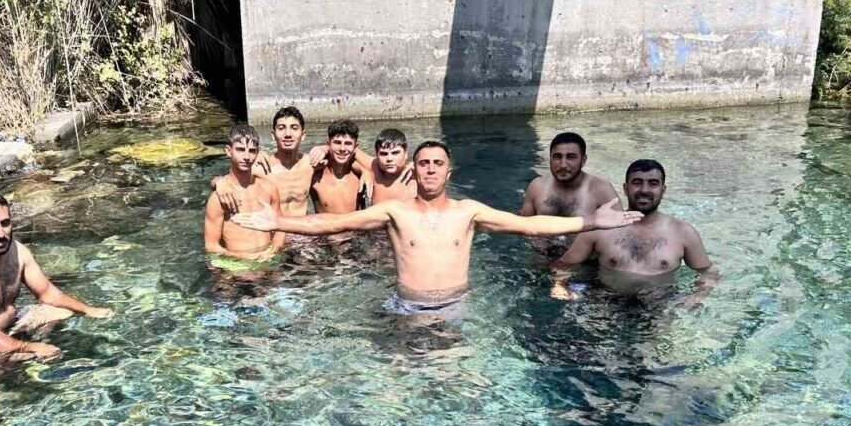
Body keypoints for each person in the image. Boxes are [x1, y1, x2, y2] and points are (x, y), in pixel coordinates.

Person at [231, 140, 642, 314]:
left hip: (453, 308)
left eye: (437, 164)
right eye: (424, 163)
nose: (430, 169)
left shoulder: (468, 212)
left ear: (449, 172)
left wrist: (590, 221)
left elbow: (529, 225)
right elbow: (333, 223)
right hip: (405, 308)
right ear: (415, 170)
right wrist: (279, 222)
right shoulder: (395, 212)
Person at [0, 189, 113, 361]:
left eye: (5, 223)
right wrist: (29, 347)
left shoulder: (17, 251)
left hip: (2, 330)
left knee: (59, 312)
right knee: (23, 358)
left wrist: (89, 310)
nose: (0, 233)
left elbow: (48, 294)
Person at [550, 158, 716, 296]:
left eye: (653, 184)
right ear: (625, 188)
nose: (644, 190)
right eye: (637, 183)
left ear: (663, 190)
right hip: (607, 302)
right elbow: (563, 265)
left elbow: (708, 273)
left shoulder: (683, 233)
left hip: (660, 306)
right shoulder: (600, 228)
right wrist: (559, 286)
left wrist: (695, 298)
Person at [204, 123, 286, 264]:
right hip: (237, 267)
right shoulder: (219, 198)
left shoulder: (269, 188)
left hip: (269, 262)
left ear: (257, 153)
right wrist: (247, 259)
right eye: (240, 150)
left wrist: (273, 251)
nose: (247, 156)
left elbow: (281, 227)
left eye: (252, 151)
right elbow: (211, 246)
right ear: (228, 151)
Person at [520, 132, 619, 223]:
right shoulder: (537, 187)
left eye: (571, 157)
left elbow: (620, 230)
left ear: (583, 160)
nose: (563, 165)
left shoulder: (601, 190)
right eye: (557, 157)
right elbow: (523, 227)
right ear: (550, 158)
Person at [310, 119, 366, 214]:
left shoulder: (361, 177)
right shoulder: (314, 176)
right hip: (325, 224)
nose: (342, 149)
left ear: (355, 146)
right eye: (337, 142)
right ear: (328, 143)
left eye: (348, 143)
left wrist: (365, 172)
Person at [363, 128, 417, 203]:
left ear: (406, 153)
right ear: (377, 155)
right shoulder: (374, 169)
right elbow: (351, 151)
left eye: (395, 153)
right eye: (384, 154)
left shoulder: (417, 175)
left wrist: (419, 164)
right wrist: (363, 171)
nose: (389, 159)